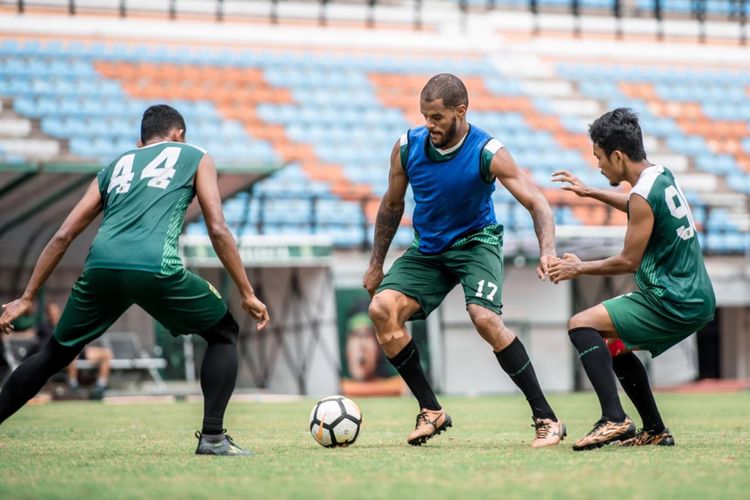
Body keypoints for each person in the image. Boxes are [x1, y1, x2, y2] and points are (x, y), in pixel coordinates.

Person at [0, 104, 270, 456]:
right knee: (223, 332)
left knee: (53, 354)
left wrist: (26, 296)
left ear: (140, 141)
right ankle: (213, 438)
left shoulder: (116, 165)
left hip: (100, 267)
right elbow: (217, 229)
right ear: (180, 135)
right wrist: (247, 293)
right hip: (155, 266)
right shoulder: (196, 156)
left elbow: (64, 234)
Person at [363, 73, 565, 447]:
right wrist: (376, 263)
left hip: (476, 244)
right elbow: (392, 205)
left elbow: (538, 202)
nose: (429, 125)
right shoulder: (407, 147)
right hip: (428, 250)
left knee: (485, 317)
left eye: (437, 117)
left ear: (461, 111)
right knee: (381, 310)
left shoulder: (487, 151)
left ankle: (546, 418)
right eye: (425, 116)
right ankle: (431, 410)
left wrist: (547, 250)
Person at [549, 108, 715, 450]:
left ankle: (614, 419)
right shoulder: (660, 175)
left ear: (618, 156)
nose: (598, 165)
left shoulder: (642, 195)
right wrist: (591, 192)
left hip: (672, 298)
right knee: (610, 343)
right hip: (694, 295)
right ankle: (654, 429)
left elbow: (628, 260)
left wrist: (577, 268)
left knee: (580, 325)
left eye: (599, 157)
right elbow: (639, 204)